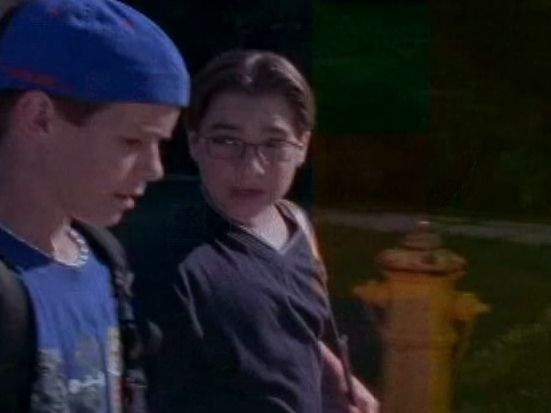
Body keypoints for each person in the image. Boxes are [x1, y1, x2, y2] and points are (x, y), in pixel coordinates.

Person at [121, 49, 379, 413]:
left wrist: (335, 378)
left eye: (274, 144)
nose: (251, 168)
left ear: (303, 146)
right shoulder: (170, 265)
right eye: (227, 141)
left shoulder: (295, 223)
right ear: (194, 142)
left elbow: (287, 329)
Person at [0, 0, 190, 412]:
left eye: (160, 144)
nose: (155, 168)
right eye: (132, 141)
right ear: (39, 117)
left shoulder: (105, 260)